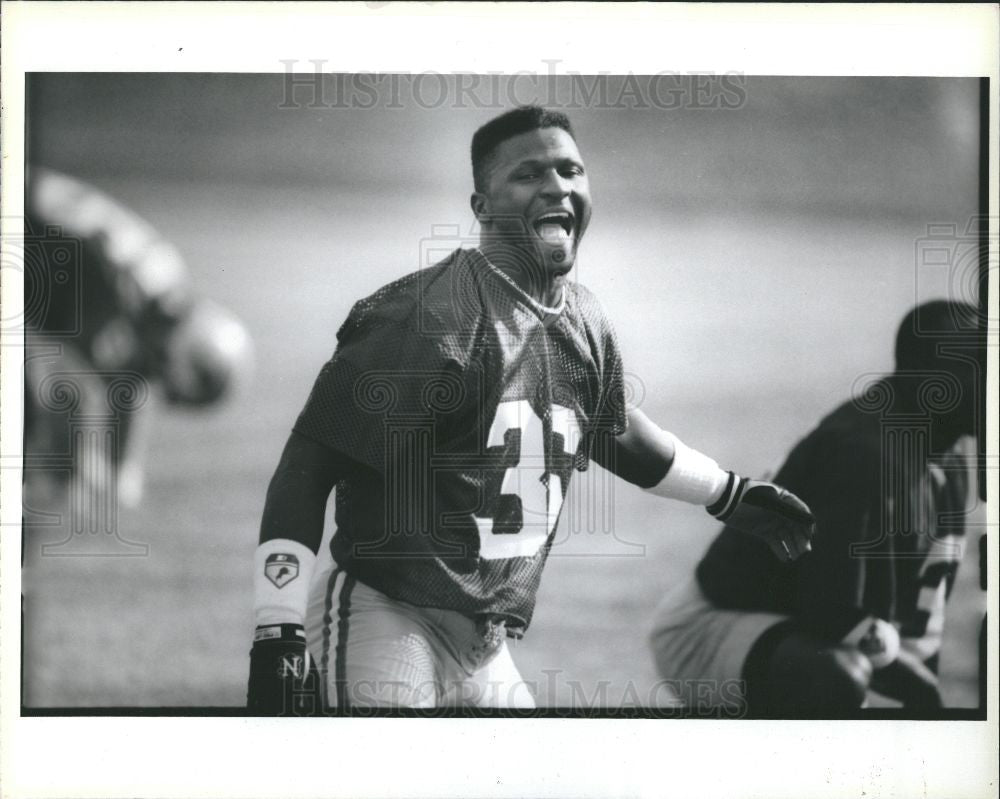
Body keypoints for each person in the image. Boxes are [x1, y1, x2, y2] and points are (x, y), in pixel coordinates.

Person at [247, 106, 816, 713]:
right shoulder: (429, 316)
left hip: (486, 643)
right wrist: (276, 626)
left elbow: (612, 430)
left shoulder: (584, 317)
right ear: (481, 205)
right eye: (528, 174)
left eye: (571, 169)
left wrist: (725, 492)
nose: (557, 187)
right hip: (389, 614)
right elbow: (307, 468)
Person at [650, 299, 983, 716]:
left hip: (795, 622)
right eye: (979, 365)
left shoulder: (945, 446)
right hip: (711, 626)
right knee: (839, 675)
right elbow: (829, 609)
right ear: (931, 378)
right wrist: (921, 693)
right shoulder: (869, 454)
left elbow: (909, 626)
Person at [23, 167, 252, 512]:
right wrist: (80, 462)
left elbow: (128, 376)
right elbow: (76, 379)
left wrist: (119, 466)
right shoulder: (116, 287)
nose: (156, 378)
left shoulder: (156, 292)